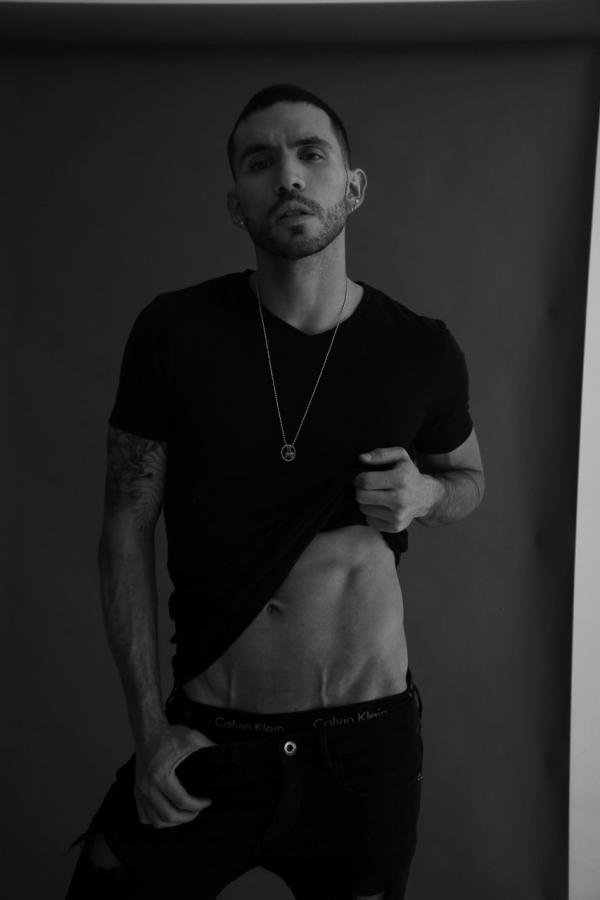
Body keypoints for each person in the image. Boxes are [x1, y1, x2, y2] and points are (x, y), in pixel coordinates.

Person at [64, 83, 484, 900]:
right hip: (211, 737)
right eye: (260, 162)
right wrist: (149, 730)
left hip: (365, 747)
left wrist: (426, 497)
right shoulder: (175, 333)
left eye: (310, 154)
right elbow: (125, 529)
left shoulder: (420, 349)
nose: (288, 176)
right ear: (237, 204)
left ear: (351, 187)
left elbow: (470, 479)